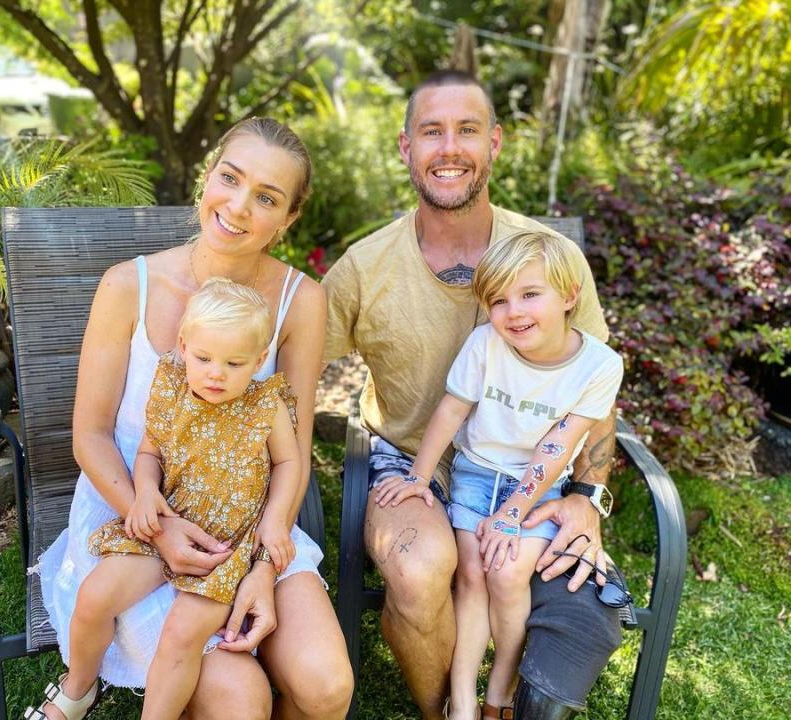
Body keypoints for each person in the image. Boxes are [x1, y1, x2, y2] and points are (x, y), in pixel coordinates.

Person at [323, 70, 623, 719]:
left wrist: (587, 497)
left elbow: (592, 393)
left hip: (528, 465)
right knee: (418, 564)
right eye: (432, 131)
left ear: (496, 143)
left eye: (467, 130)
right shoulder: (364, 267)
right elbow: (290, 366)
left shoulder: (553, 261)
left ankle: (503, 697)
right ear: (406, 147)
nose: (449, 148)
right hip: (410, 458)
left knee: (553, 588)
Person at [32, 117, 353, 720]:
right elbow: (91, 435)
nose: (237, 206)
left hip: (250, 524)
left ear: (287, 220)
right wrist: (154, 525)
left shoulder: (299, 303)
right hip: (136, 513)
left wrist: (260, 565)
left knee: (327, 686)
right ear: (208, 177)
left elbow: (294, 453)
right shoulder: (129, 285)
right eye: (229, 179)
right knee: (241, 700)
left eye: (267, 198)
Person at [25, 278, 303, 720]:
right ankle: (77, 690)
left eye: (234, 362)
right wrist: (146, 493)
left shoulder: (264, 406)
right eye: (204, 357)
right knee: (96, 595)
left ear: (260, 358)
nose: (216, 373)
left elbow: (289, 464)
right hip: (166, 520)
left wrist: (275, 521)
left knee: (181, 634)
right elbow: (149, 452)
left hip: (226, 546)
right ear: (182, 344)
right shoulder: (171, 389)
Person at [372, 232, 624, 720]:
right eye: (499, 301)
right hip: (476, 473)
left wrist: (512, 513)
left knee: (507, 574)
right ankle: (463, 701)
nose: (514, 312)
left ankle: (500, 695)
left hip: (540, 484)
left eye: (531, 294)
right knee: (471, 575)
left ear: (570, 296)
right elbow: (451, 411)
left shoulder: (599, 365)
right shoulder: (486, 343)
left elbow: (559, 445)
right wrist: (419, 478)